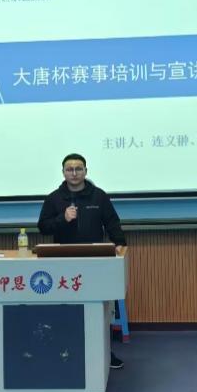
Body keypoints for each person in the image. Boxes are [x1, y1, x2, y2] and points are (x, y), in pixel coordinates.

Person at [38, 153, 126, 369]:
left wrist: (119, 243)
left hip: (95, 260)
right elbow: (43, 227)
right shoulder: (54, 199)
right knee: (66, 308)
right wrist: (62, 218)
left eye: (79, 169)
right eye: (70, 169)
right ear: (63, 173)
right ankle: (65, 349)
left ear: (86, 171)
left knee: (100, 309)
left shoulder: (99, 196)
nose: (74, 173)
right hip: (63, 261)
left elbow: (112, 222)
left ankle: (105, 352)